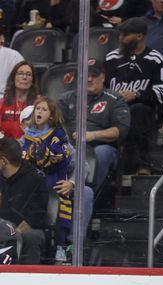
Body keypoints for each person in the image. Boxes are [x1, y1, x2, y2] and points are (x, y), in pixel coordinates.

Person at [105, 17, 163, 175]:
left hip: (143, 111)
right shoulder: (112, 58)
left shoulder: (154, 58)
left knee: (138, 110)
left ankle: (142, 164)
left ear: (139, 36)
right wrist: (114, 96)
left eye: (125, 35)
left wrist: (137, 94)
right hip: (113, 108)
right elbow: (101, 86)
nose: (120, 39)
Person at [59, 58, 131, 192]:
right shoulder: (66, 98)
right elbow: (54, 124)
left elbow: (120, 130)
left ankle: (89, 192)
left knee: (101, 153)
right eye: (86, 75)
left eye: (94, 75)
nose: (89, 79)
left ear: (103, 77)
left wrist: (92, 135)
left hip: (100, 146)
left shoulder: (114, 99)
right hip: (70, 146)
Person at [21, 97, 74, 263]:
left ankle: (60, 246)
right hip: (32, 185)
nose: (39, 112)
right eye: (37, 109)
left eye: (44, 109)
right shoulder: (26, 137)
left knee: (57, 210)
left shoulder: (59, 135)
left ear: (51, 116)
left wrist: (71, 182)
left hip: (54, 184)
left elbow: (80, 164)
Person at [0, 137, 48, 264]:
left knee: (32, 237)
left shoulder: (36, 180)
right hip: (0, 226)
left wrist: (12, 232)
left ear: (4, 161)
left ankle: (29, 278)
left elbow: (36, 217)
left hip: (25, 229)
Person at [0, 61, 39, 140]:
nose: (24, 77)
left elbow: (42, 131)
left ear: (32, 82)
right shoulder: (2, 102)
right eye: (20, 73)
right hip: (6, 147)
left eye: (28, 74)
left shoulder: (38, 103)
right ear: (13, 79)